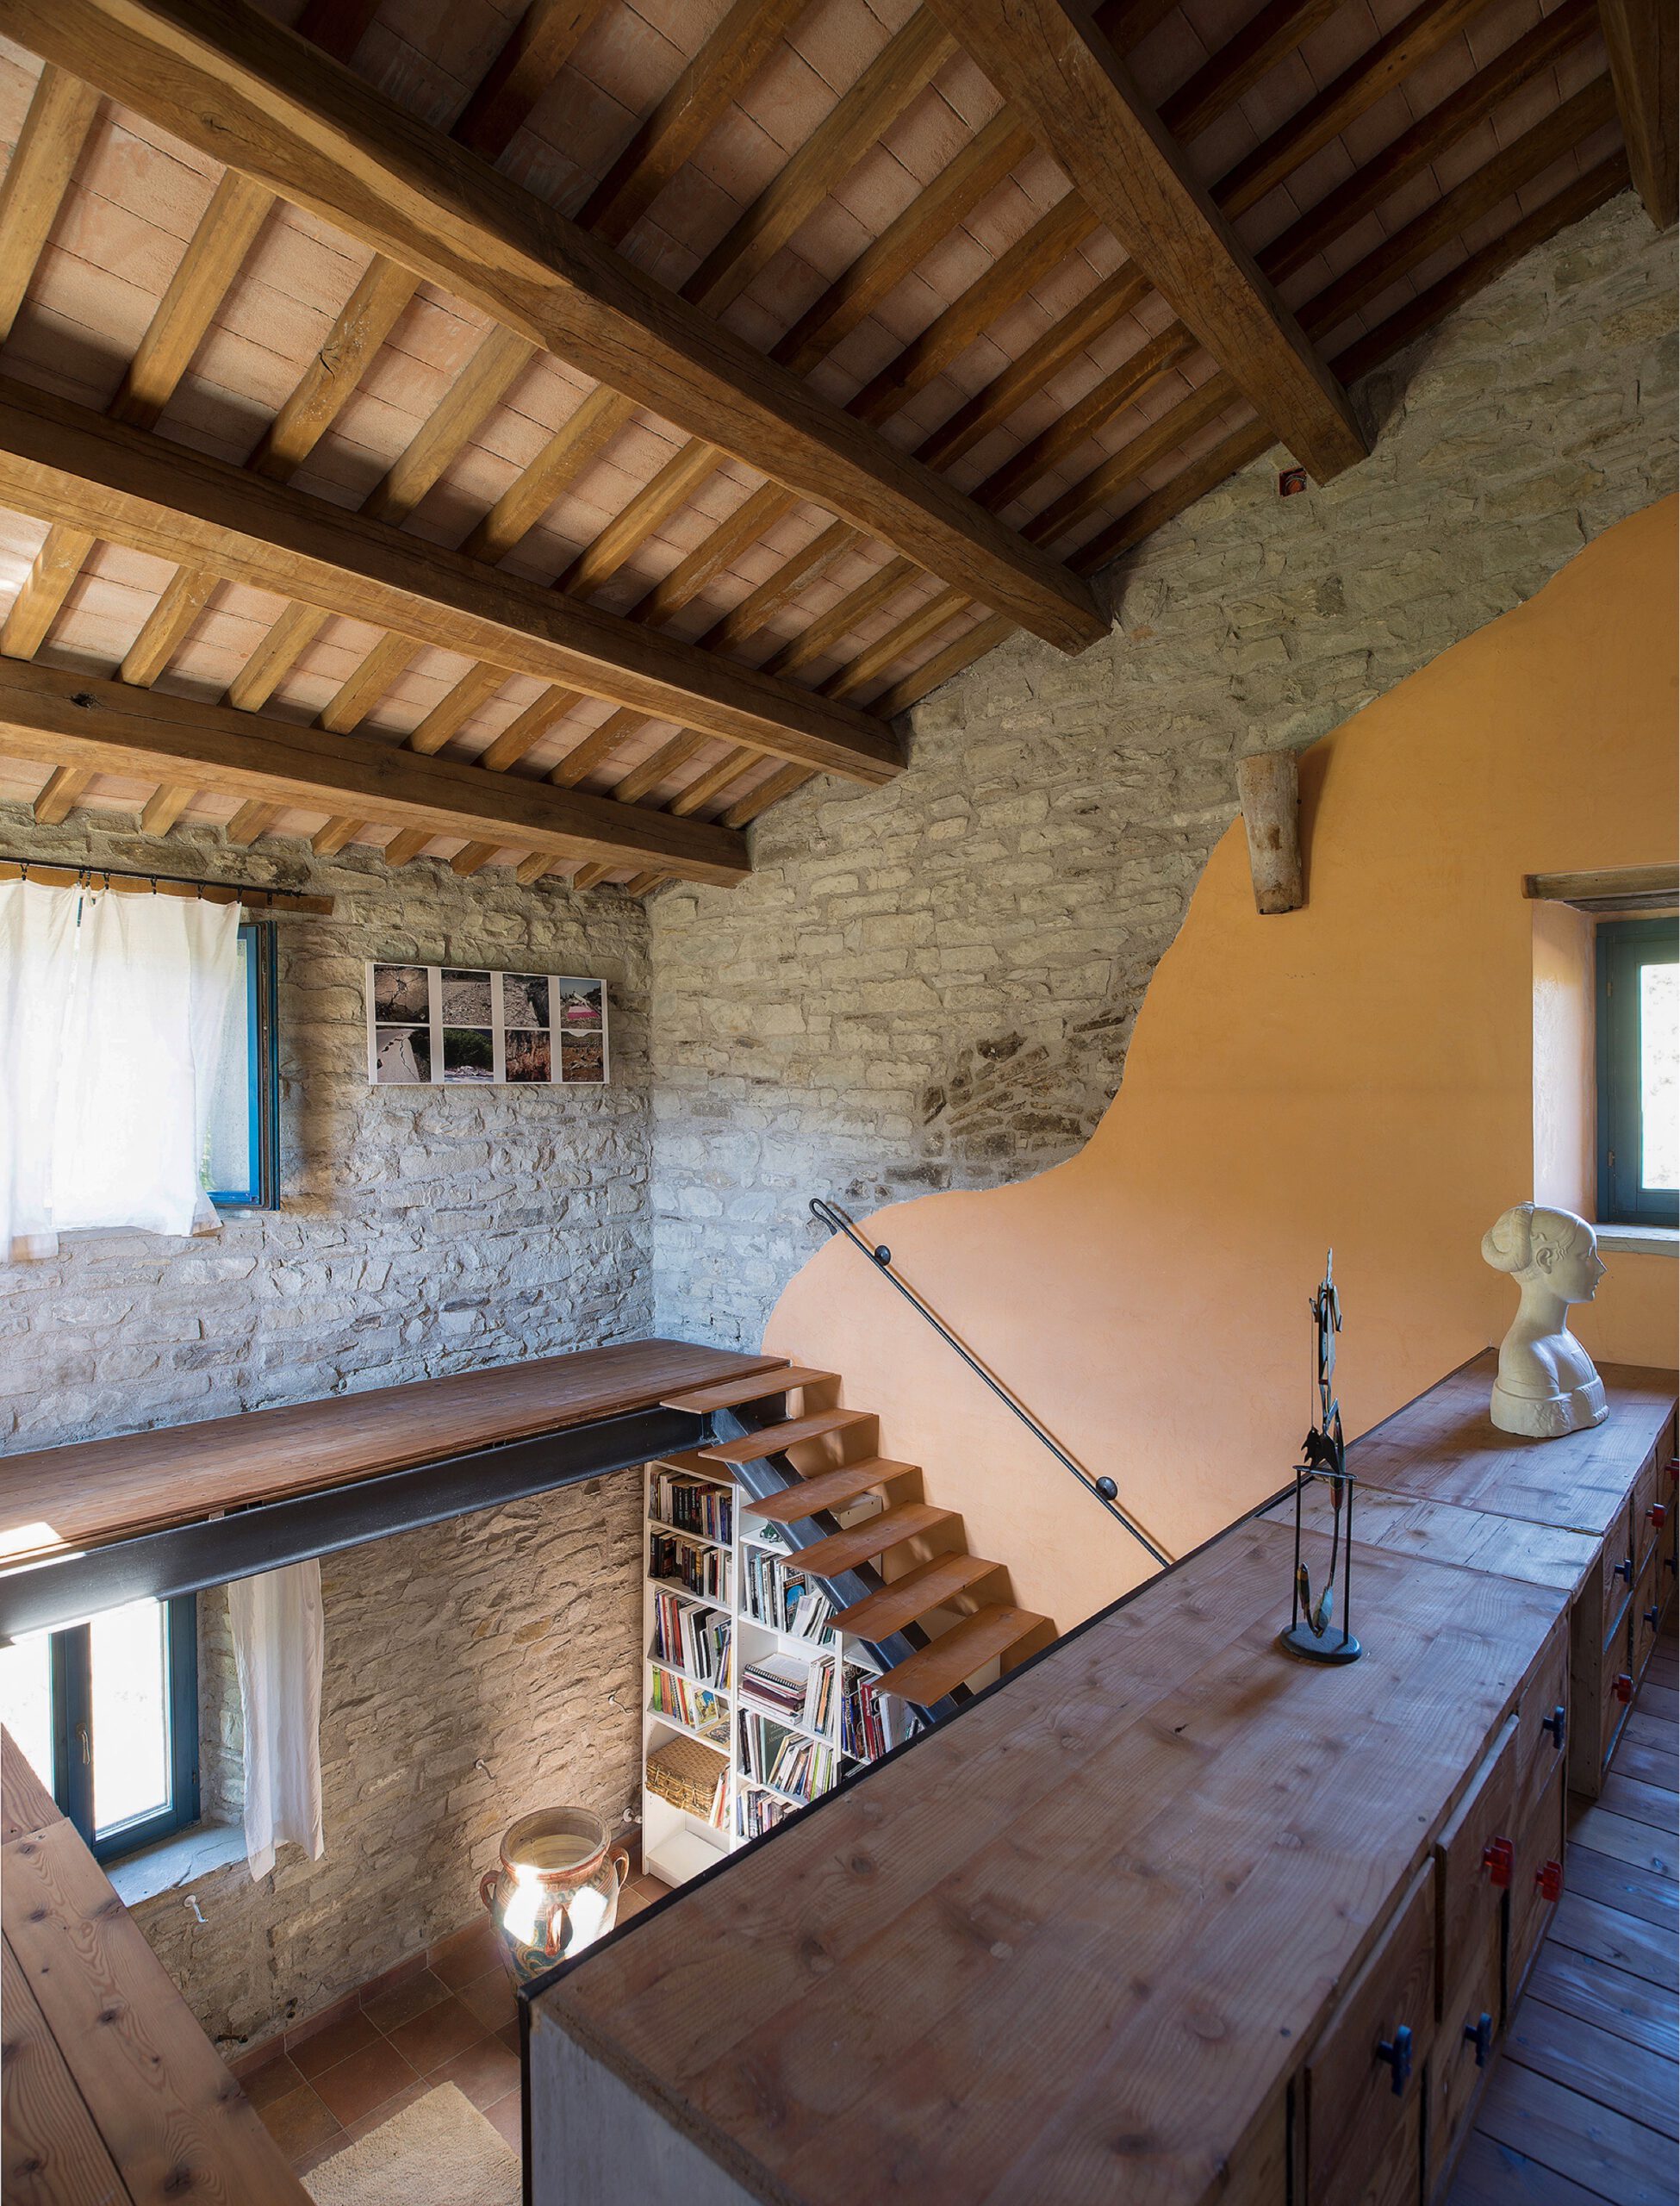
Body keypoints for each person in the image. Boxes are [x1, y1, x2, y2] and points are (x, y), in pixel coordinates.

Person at [1481, 1203, 1608, 1436]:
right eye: (1585, 1256)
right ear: (1545, 1259)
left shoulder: (1561, 1339)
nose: (1601, 1268)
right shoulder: (1525, 1355)